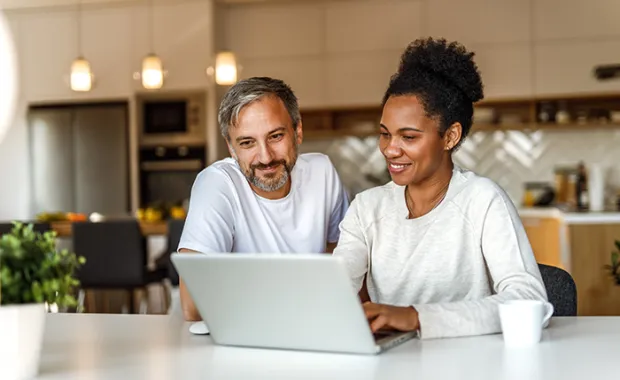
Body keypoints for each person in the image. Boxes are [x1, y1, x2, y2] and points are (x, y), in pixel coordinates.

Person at [332, 37, 548, 340]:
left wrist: (416, 317)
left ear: (450, 137)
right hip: (395, 364)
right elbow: (336, 288)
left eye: (408, 137)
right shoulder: (367, 208)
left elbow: (530, 299)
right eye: (385, 134)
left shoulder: (482, 199)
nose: (390, 150)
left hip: (473, 363)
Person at [178, 76, 350, 321]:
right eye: (247, 143)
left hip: (309, 327)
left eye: (276, 136)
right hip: (233, 339)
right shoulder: (216, 184)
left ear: (297, 131)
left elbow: (345, 263)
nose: (266, 157)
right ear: (231, 148)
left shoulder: (322, 171)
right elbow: (192, 306)